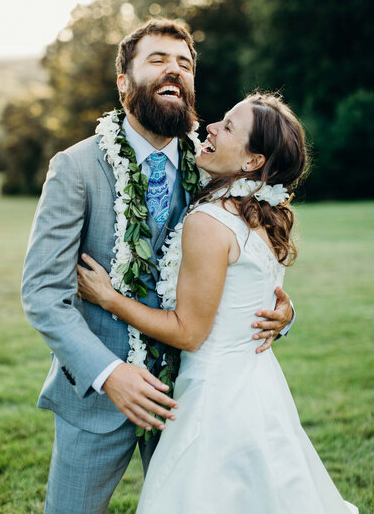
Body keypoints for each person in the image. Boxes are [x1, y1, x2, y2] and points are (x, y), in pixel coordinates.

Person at [21, 19, 294, 514]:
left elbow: (253, 252)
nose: (174, 71)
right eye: (158, 60)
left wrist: (282, 314)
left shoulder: (213, 160)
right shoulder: (77, 168)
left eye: (184, 64)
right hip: (97, 400)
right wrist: (109, 374)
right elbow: (43, 294)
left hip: (189, 396)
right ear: (123, 81)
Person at [77, 92, 358, 513]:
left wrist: (108, 298)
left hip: (216, 396)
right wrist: (287, 313)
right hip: (259, 388)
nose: (210, 127)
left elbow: (189, 332)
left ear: (251, 162)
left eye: (228, 127)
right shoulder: (261, 212)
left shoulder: (209, 222)